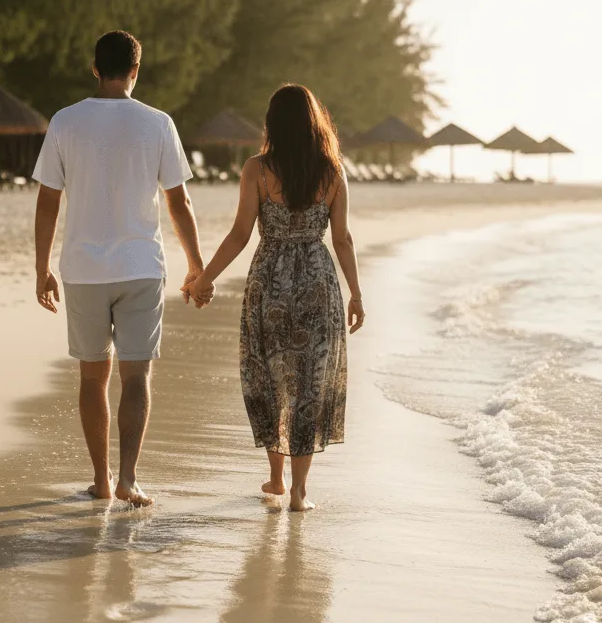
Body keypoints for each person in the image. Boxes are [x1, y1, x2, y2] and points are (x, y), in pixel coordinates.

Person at [33, 30, 205, 507]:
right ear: (135, 70)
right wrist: (196, 265)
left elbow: (47, 201)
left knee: (93, 378)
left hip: (84, 268)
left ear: (95, 68)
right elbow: (179, 201)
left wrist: (42, 267)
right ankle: (128, 478)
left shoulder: (65, 121)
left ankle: (102, 481)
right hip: (141, 267)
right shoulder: (158, 123)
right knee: (136, 377)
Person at [185, 84, 364, 511]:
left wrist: (204, 279)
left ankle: (277, 478)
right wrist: (356, 294)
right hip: (318, 284)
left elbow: (239, 234)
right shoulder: (332, 171)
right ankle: (299, 490)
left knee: (270, 377)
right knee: (309, 383)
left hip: (270, 283)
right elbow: (342, 239)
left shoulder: (258, 170)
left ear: (273, 124)